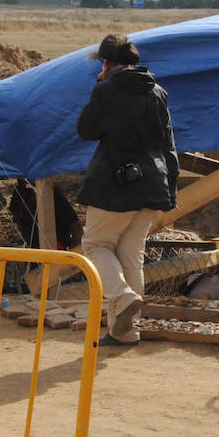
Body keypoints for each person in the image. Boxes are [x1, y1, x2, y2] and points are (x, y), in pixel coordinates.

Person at [76, 34, 178, 346]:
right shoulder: (157, 91)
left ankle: (122, 298)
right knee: (131, 256)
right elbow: (168, 142)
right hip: (153, 183)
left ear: (105, 62)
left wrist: (100, 86)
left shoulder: (107, 89)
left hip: (115, 184)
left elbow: (86, 130)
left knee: (95, 246)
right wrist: (170, 188)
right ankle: (126, 332)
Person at [8, 177, 83, 251]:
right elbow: (16, 217)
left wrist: (74, 253)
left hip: (57, 250)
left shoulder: (53, 194)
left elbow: (76, 226)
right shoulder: (20, 192)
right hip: (32, 250)